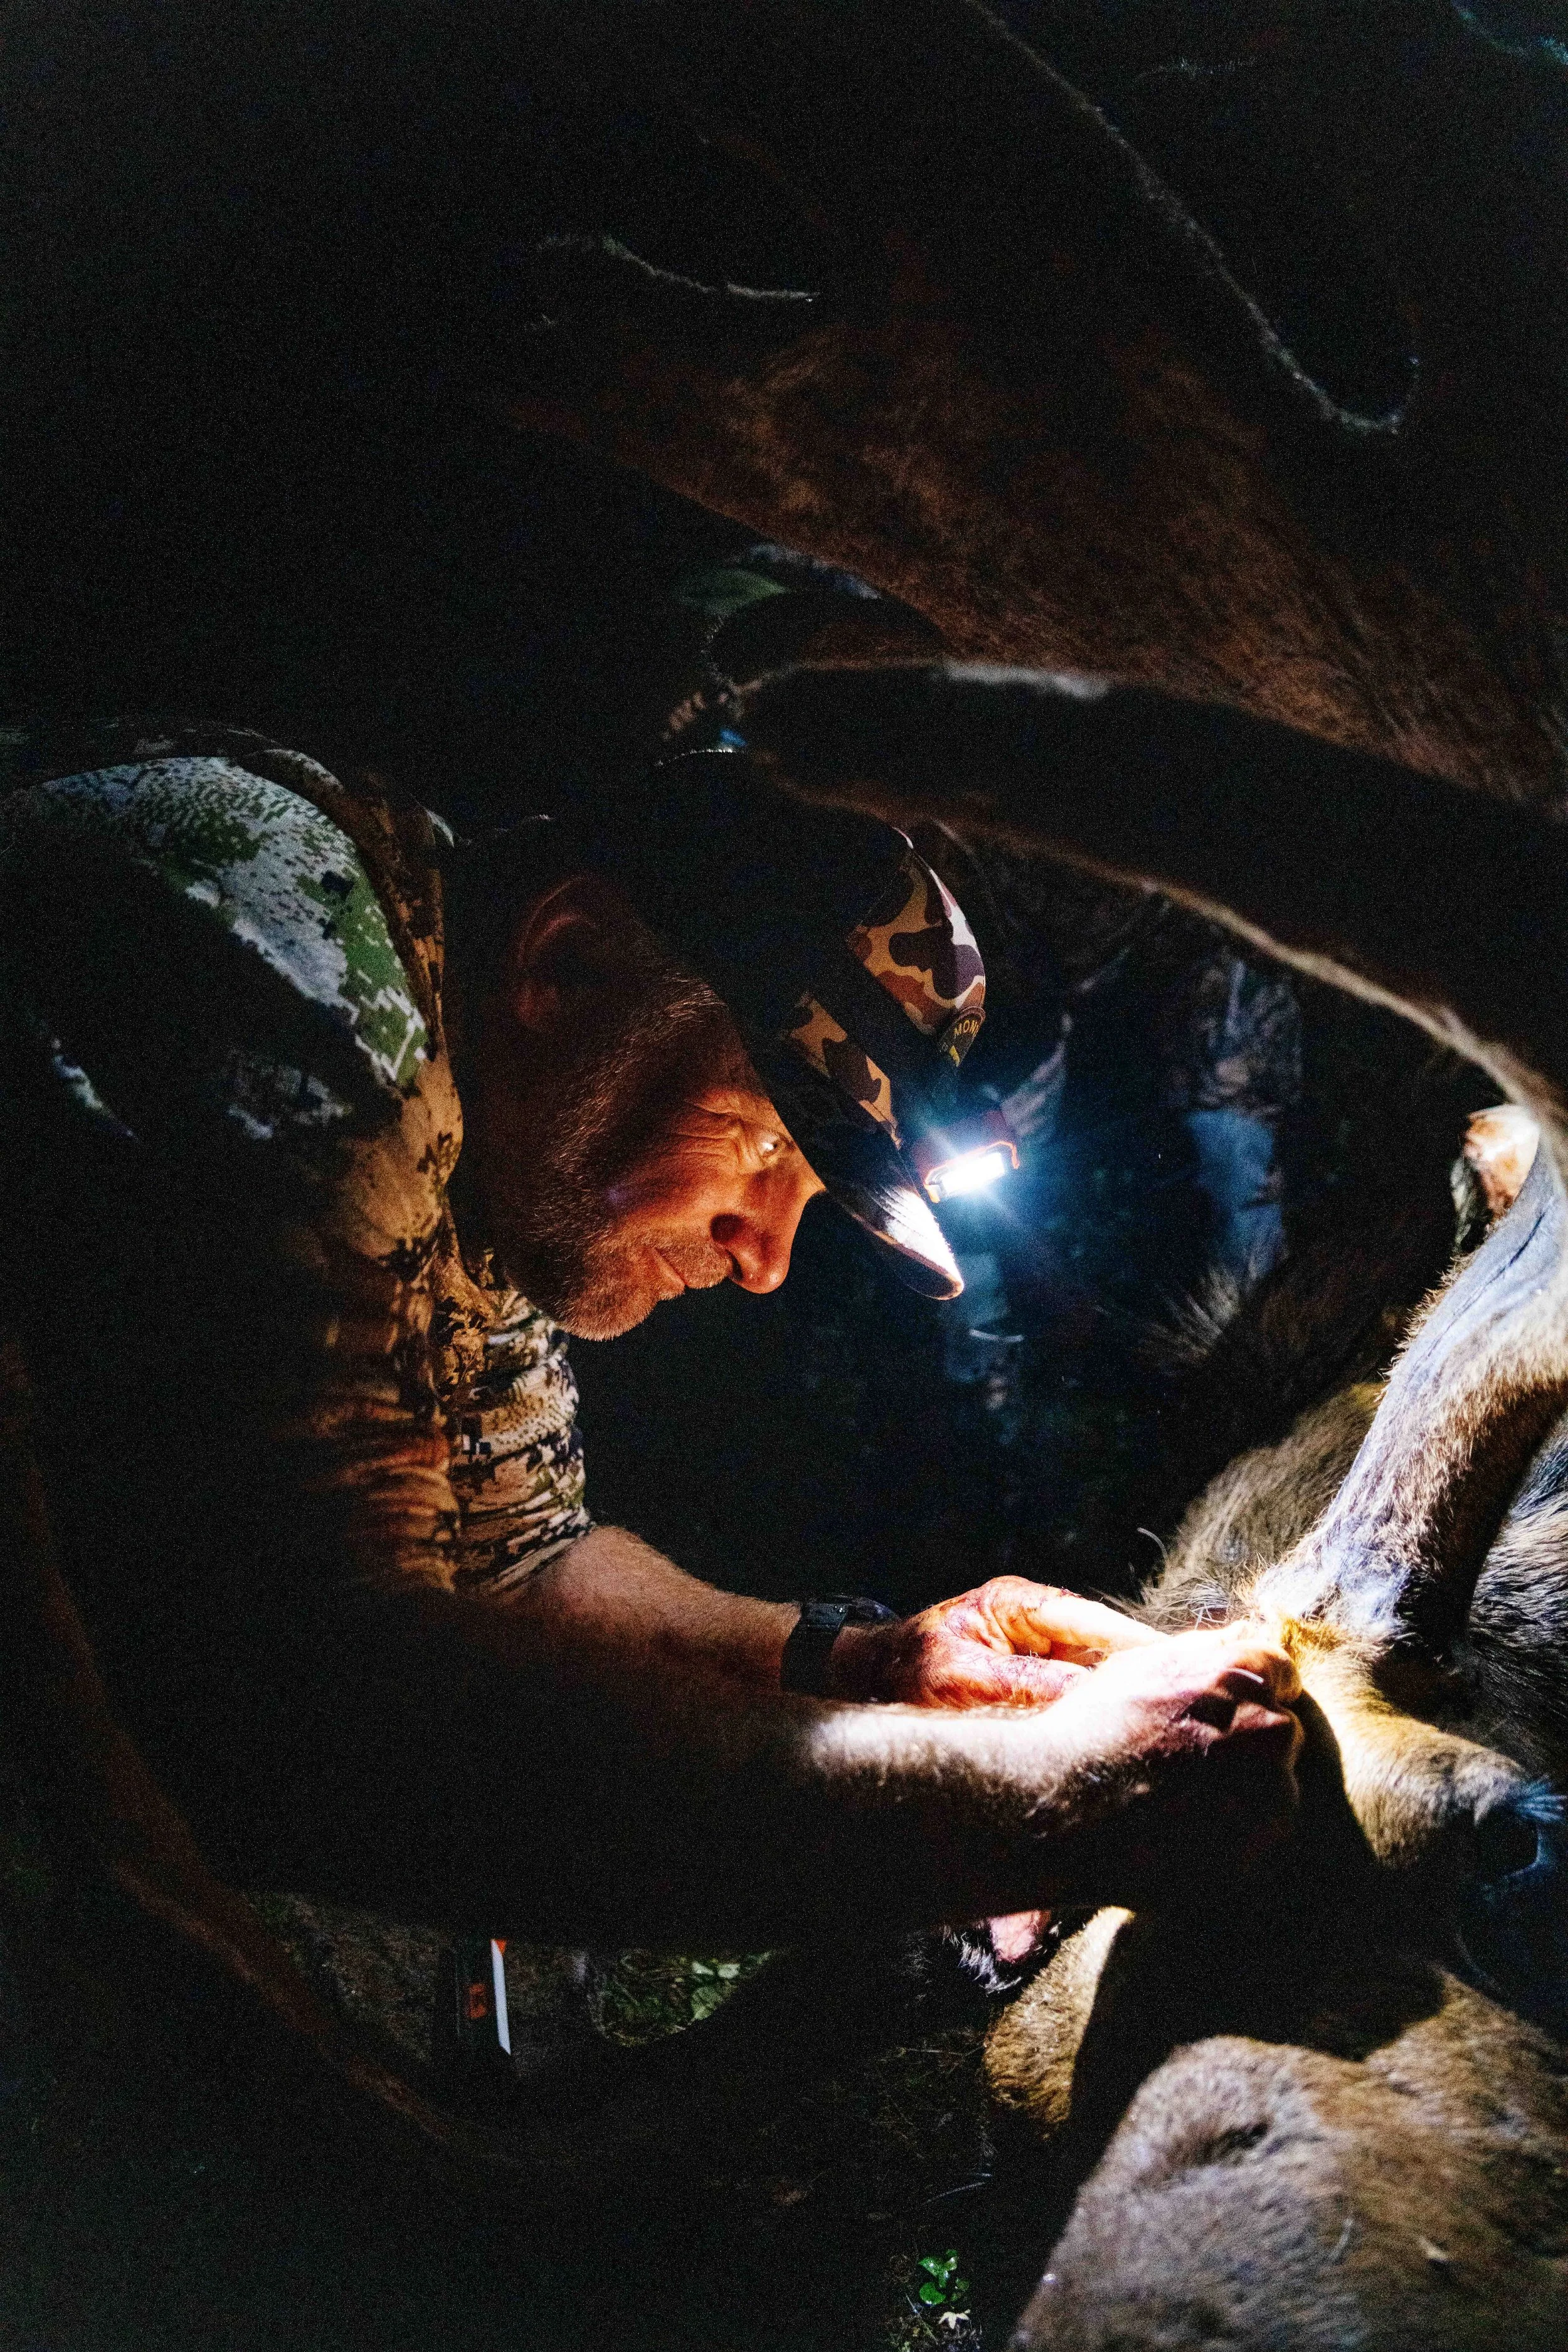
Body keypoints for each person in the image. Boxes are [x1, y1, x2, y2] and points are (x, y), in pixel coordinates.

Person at [0, 722, 1301, 1958]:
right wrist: (1032, 1795)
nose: (764, 1258)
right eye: (763, 1145)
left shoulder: (492, 1143)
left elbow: (523, 1568)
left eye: (806, 1199)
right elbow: (322, 1700)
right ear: (566, 968)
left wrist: (868, 1662)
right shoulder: (293, 940)